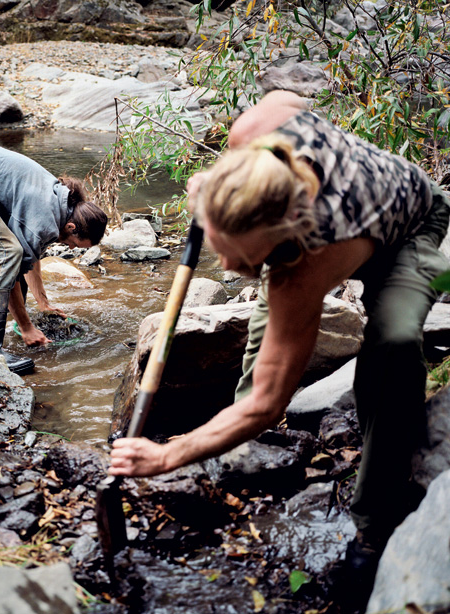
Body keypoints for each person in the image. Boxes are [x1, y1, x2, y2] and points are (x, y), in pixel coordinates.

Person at [109, 90, 449, 601]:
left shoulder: (305, 263)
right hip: (312, 218)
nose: (221, 267)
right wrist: (221, 189)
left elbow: (270, 402)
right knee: (264, 328)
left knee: (393, 345)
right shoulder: (255, 134)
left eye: (233, 254)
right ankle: (239, 446)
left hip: (411, 222)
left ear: (285, 236)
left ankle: (374, 524)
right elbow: (286, 97)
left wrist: (167, 456)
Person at [0, 145, 108, 374]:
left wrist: (44, 304)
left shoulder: (60, 204)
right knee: (7, 252)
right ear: (71, 227)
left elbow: (31, 256)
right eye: (75, 243)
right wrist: (26, 327)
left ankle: (0, 329)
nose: (71, 247)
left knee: (16, 252)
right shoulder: (44, 217)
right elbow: (14, 265)